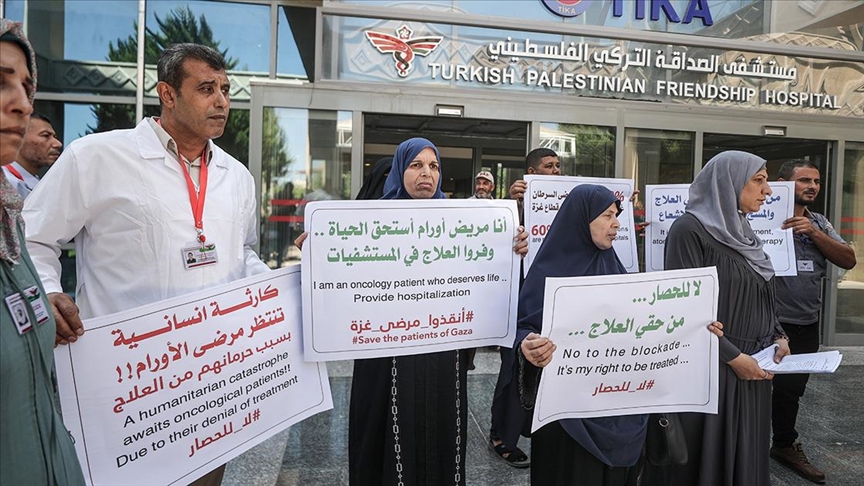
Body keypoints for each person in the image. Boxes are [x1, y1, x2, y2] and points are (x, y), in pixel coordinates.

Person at [24, 43, 270, 486]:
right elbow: (34, 236)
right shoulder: (96, 157)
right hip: (128, 384)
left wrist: (281, 289)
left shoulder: (237, 176)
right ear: (167, 94)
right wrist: (50, 292)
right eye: (206, 89)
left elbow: (243, 254)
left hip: (214, 381)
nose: (221, 102)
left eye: (226, 90)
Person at [344, 137, 528, 485]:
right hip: (386, 353)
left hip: (442, 351)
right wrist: (319, 250)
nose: (426, 173)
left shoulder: (461, 221)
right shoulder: (369, 222)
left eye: (434, 166)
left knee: (441, 431)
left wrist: (512, 246)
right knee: (386, 432)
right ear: (400, 170)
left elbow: (484, 269)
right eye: (416, 165)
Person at [641, 151, 791, 486]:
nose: (767, 191)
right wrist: (734, 358)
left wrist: (779, 336)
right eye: (759, 180)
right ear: (728, 183)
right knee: (708, 458)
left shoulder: (743, 231)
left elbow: (761, 293)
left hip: (754, 367)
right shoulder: (689, 230)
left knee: (745, 455)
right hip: (714, 370)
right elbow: (682, 309)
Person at [0, 18, 86, 486]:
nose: (22, 103)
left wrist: (44, 296)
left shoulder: (10, 218)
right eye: (1, 82)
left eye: (26, 86)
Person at [771, 160, 856, 484]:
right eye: (804, 180)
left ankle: (784, 445)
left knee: (791, 391)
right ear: (781, 183)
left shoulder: (819, 222)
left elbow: (848, 259)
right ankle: (740, 446)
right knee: (753, 388)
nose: (813, 186)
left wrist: (814, 233)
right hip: (769, 323)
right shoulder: (760, 219)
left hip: (806, 323)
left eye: (817, 181)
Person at [2, 113, 62, 199]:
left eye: (54, 137)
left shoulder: (38, 184)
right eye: (45, 135)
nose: (58, 144)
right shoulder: (6, 182)